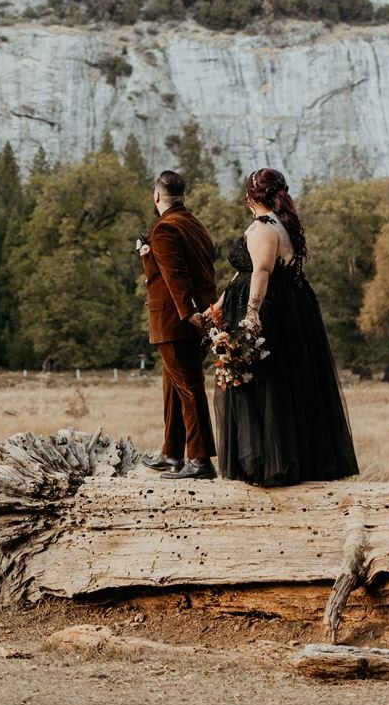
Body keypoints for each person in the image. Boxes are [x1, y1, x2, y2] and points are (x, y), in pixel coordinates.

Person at [200, 165, 359, 486]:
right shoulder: (281, 225)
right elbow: (243, 273)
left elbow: (260, 271)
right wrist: (217, 306)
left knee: (263, 384)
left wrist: (252, 313)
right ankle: (282, 460)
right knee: (282, 384)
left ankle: (265, 464)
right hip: (288, 308)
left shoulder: (263, 228)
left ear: (249, 196)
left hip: (268, 310)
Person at [137, 169, 218, 479]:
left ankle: (200, 461)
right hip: (201, 318)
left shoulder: (165, 229)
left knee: (189, 388)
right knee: (174, 386)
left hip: (176, 321)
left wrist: (187, 313)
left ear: (157, 196)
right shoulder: (195, 224)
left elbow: (176, 275)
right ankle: (171, 455)